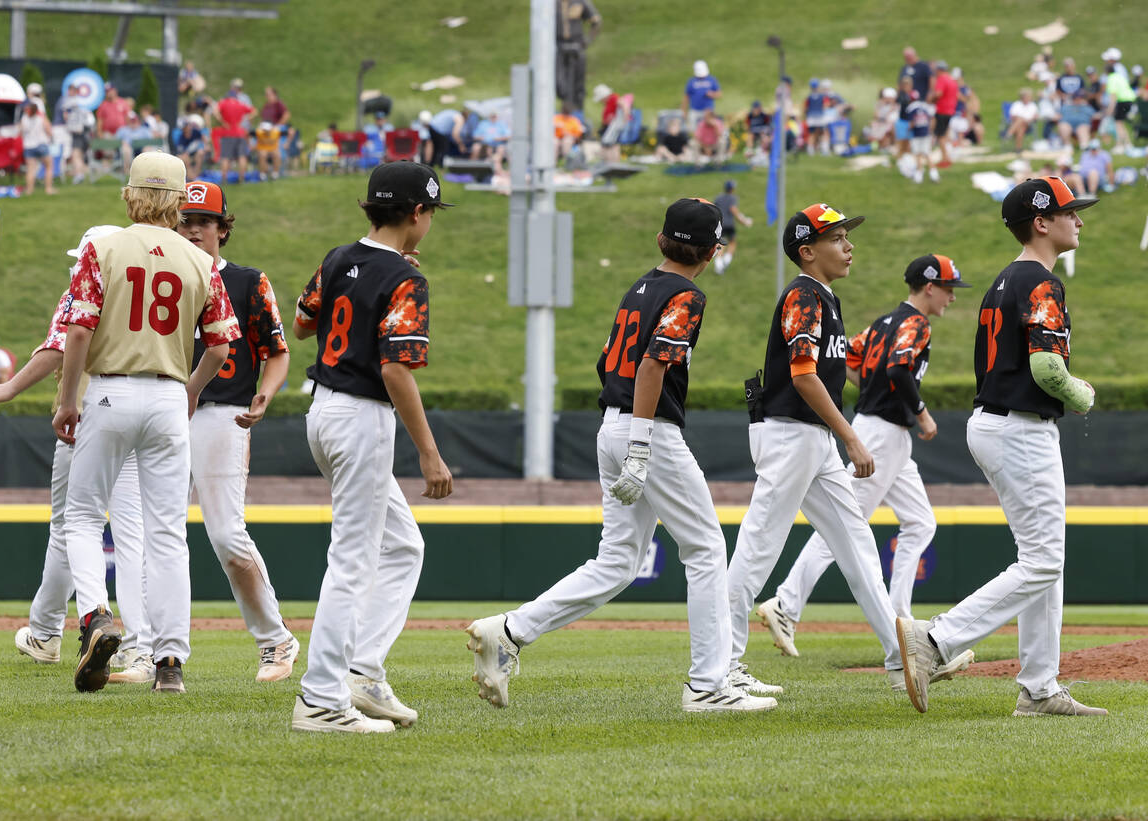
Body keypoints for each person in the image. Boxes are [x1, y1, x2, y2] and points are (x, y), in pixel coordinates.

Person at [466, 198, 778, 715]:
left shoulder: (640, 287)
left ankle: (510, 631)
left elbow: (606, 360)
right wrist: (639, 442)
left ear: (661, 240)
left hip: (613, 424)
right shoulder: (686, 294)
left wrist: (626, 436)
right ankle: (708, 685)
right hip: (646, 430)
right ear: (713, 251)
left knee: (616, 562)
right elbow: (655, 364)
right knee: (704, 550)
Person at [724, 204, 974, 693]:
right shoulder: (803, 294)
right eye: (837, 237)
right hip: (791, 433)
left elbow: (842, 367)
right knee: (757, 549)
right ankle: (719, 668)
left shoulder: (825, 297)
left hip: (811, 437)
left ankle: (903, 658)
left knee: (858, 545)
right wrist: (852, 435)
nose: (848, 245)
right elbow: (802, 375)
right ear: (808, 250)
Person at [896, 177, 1105, 717]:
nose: (1078, 220)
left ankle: (1039, 687)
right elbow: (1046, 368)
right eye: (1069, 212)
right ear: (1041, 222)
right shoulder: (1040, 281)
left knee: (1043, 559)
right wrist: (1081, 393)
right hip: (1019, 427)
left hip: (997, 422)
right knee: (1043, 560)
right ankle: (936, 639)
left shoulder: (1005, 279)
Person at [52, 152, 239, 695]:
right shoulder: (200, 260)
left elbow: (80, 330)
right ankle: (170, 662)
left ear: (130, 194)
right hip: (167, 397)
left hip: (109, 390)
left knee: (83, 518)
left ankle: (94, 619)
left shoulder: (101, 247)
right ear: (180, 202)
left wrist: (68, 399)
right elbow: (222, 343)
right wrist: (192, 390)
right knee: (166, 536)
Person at [290, 161, 454, 734]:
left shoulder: (340, 257)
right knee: (352, 562)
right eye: (431, 211)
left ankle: (361, 672)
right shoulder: (406, 279)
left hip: (323, 410)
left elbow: (304, 323)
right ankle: (320, 700)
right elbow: (395, 369)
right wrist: (429, 453)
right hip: (360, 418)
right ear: (417, 214)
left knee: (403, 548)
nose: (430, 220)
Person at [0, 225, 154, 683]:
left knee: (70, 526)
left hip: (89, 418)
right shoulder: (148, 285)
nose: (77, 263)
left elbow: (61, 345)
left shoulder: (86, 284)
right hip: (146, 417)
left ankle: (47, 631)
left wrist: (11, 387)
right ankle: (141, 647)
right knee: (135, 534)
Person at [177, 181, 300, 682]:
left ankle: (276, 639)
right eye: (185, 220)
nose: (193, 230)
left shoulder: (249, 282)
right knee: (148, 535)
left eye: (204, 222)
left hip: (222, 412)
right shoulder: (161, 275)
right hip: (163, 410)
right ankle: (148, 650)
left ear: (224, 229)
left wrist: (265, 396)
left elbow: (278, 351)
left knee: (227, 533)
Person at [555, 0, 601, 112]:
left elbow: (596, 21)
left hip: (576, 46)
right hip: (559, 46)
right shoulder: (551, 4)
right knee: (559, 83)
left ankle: (577, 113)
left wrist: (587, 40)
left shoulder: (580, 2)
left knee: (577, 84)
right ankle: (565, 109)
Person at [216, 80, 257, 184]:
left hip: (228, 133)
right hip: (240, 133)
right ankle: (241, 179)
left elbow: (215, 111)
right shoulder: (240, 104)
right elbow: (254, 111)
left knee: (225, 157)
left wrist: (223, 122)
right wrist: (246, 119)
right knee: (242, 157)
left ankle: (224, 180)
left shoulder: (224, 103)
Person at [712, 180, 752, 275]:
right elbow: (733, 210)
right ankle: (726, 260)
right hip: (729, 224)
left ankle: (719, 264)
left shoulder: (718, 197)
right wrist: (744, 221)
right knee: (732, 243)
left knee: (720, 244)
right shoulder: (732, 198)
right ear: (732, 189)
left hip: (719, 224)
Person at [60, 83, 95, 184]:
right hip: (85, 132)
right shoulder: (84, 102)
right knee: (79, 155)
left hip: (77, 132)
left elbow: (66, 116)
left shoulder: (70, 103)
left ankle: (79, 175)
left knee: (76, 155)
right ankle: (79, 174)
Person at [18, 100, 54, 195]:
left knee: (30, 169)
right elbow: (48, 130)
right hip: (41, 144)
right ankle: (48, 189)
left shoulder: (24, 118)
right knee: (49, 167)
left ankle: (29, 190)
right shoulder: (41, 117)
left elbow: (21, 132)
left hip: (29, 146)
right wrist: (51, 138)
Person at [929, 61, 958, 166]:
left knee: (940, 135)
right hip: (950, 110)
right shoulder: (952, 80)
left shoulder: (941, 79)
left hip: (942, 110)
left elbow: (938, 93)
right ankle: (947, 156)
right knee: (944, 135)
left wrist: (931, 99)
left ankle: (945, 159)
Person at [682, 60, 721, 133]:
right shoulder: (691, 81)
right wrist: (684, 111)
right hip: (694, 110)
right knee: (693, 130)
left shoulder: (712, 80)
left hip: (708, 111)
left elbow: (719, 94)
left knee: (708, 130)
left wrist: (712, 94)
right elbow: (686, 97)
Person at [906, 94, 936, 183]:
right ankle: (933, 173)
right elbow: (932, 119)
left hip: (916, 134)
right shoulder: (924, 106)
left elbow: (911, 123)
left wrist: (908, 130)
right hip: (926, 133)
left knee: (918, 154)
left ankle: (919, 174)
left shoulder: (911, 108)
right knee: (927, 154)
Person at [1007, 89, 1039, 153]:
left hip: (1028, 124)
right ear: (1022, 97)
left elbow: (1036, 116)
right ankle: (1018, 149)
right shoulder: (1017, 104)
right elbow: (1012, 116)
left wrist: (1026, 119)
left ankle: (1009, 133)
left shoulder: (1033, 105)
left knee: (1020, 120)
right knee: (1020, 127)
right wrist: (1022, 119)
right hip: (1018, 124)